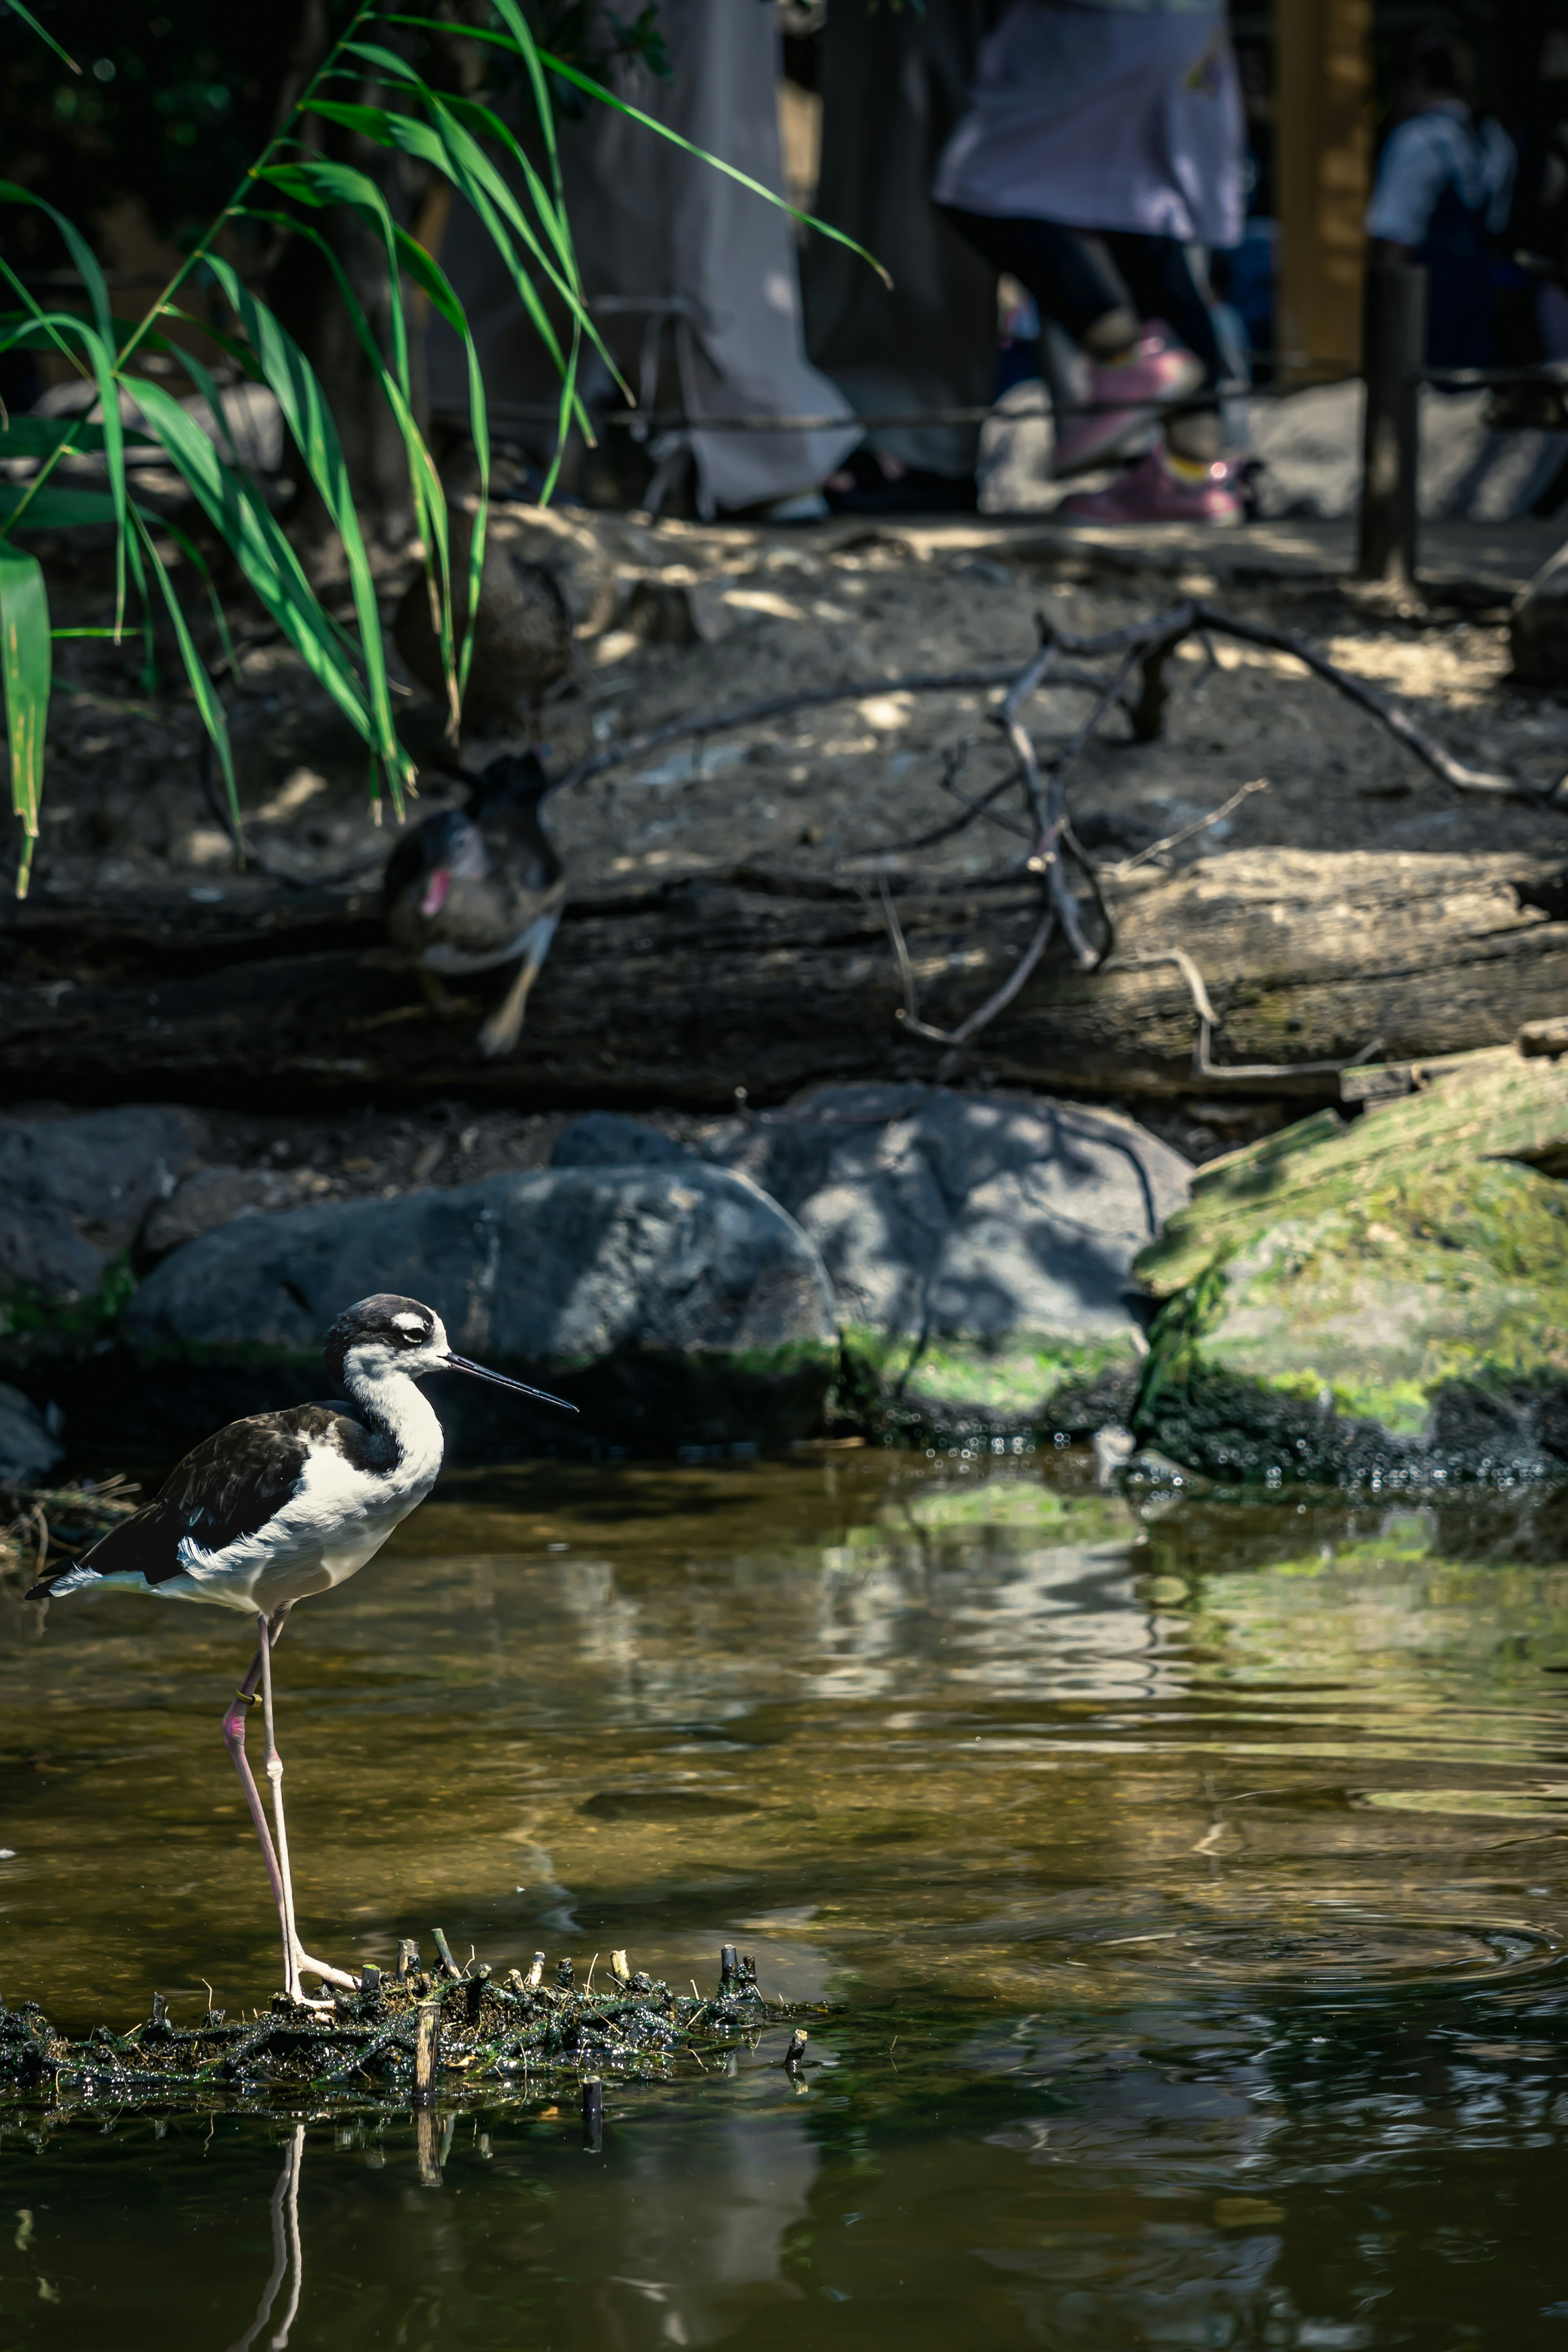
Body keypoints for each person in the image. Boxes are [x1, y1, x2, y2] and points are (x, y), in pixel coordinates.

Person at [931, 0, 1246, 525]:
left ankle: (1124, 357)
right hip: (1190, 26)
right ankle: (1194, 475)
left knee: (977, 184)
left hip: (1098, 23)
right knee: (1146, 227)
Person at [1365, 29, 1517, 371]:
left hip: (1427, 305)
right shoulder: (1492, 136)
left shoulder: (1417, 140)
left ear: (1415, 79)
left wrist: (1383, 323)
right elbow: (1497, 225)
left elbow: (1395, 237)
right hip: (1480, 294)